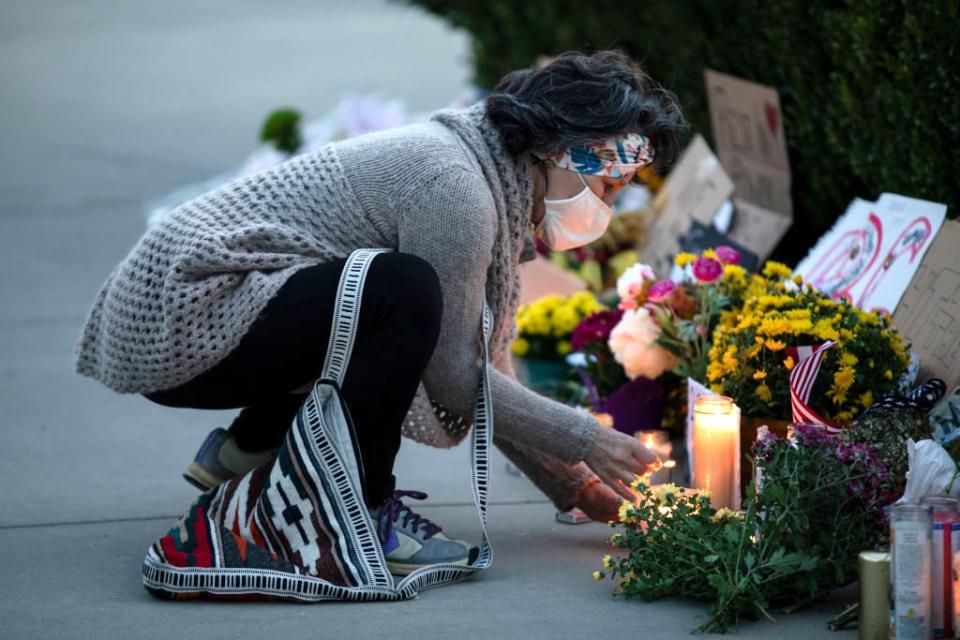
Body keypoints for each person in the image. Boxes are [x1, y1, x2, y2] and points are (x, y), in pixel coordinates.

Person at [75, 50, 686, 575]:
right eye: (607, 185)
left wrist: (579, 486)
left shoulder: (485, 170)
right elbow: (453, 374)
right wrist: (589, 438)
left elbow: (486, 366)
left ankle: (245, 454)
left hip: (205, 305)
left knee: (374, 302)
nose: (606, 206)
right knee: (398, 291)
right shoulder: (455, 188)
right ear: (557, 148)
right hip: (184, 312)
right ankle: (361, 509)